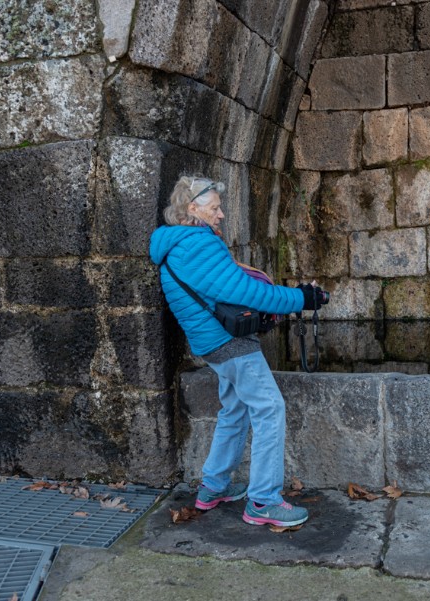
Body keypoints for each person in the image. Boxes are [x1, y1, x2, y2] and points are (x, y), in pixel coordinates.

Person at [149, 175, 327, 527]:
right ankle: (262, 501)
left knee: (235, 410)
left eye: (220, 207)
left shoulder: (176, 245)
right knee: (269, 407)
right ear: (192, 209)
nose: (221, 215)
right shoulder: (197, 244)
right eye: (214, 208)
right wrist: (303, 298)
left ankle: (212, 488)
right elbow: (247, 293)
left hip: (211, 344)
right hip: (229, 343)